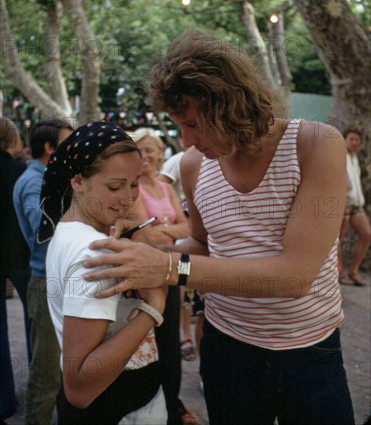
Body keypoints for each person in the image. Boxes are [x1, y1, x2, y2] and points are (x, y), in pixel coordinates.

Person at [83, 30, 355, 425]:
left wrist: (166, 268)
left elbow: (296, 276)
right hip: (226, 349)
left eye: (194, 123)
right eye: (178, 125)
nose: (186, 140)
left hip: (310, 351)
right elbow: (206, 245)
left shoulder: (314, 144)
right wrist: (143, 255)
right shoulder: (195, 165)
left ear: (233, 104)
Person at [38, 121, 167, 424]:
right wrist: (153, 309)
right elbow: (80, 387)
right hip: (118, 405)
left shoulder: (72, 231)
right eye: (115, 186)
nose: (129, 197)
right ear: (78, 181)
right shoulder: (95, 252)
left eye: (135, 183)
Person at [133, 128, 199, 425]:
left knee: (171, 338)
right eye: (140, 150)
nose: (146, 155)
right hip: (148, 276)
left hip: (174, 268)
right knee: (152, 343)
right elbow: (145, 236)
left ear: (160, 154)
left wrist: (165, 231)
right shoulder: (133, 188)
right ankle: (158, 407)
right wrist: (166, 231)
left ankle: (173, 404)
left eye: (151, 150)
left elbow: (188, 229)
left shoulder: (165, 187)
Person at [13, 118, 73, 424]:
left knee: (61, 373)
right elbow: (42, 230)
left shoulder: (49, 177)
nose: (74, 148)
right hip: (48, 283)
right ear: (50, 147)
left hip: (59, 281)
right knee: (46, 374)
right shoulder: (35, 182)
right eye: (67, 141)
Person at [158, 148, 205, 362]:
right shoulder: (180, 161)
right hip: (185, 246)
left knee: (202, 298)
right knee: (185, 287)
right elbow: (161, 186)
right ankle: (184, 334)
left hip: (206, 247)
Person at [0, 117, 31, 419]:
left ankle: (3, 401)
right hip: (22, 256)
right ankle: (39, 392)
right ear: (13, 141)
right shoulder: (24, 172)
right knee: (35, 325)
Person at [338, 127, 370, 286]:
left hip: (357, 203)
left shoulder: (354, 157)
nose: (354, 142)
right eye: (351, 139)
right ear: (344, 139)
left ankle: (353, 272)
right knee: (338, 239)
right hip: (343, 202)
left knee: (367, 234)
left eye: (357, 140)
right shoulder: (338, 154)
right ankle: (340, 273)